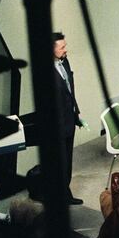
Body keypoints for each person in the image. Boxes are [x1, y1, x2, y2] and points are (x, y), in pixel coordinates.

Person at [52, 32, 86, 206]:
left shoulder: (64, 62)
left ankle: (65, 193)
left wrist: (76, 114)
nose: (66, 50)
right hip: (56, 126)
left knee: (67, 162)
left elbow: (70, 91)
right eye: (62, 47)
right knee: (60, 163)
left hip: (69, 122)